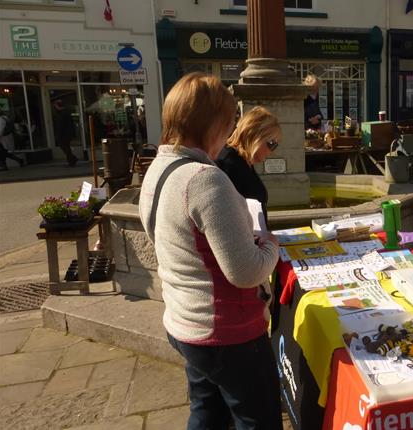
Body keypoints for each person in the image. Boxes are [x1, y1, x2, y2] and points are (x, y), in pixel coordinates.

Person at [138, 73, 282, 430]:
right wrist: (270, 245)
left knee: (208, 414)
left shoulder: (158, 169)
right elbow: (247, 271)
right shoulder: (204, 178)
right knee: (258, 421)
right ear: (214, 122)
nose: (231, 128)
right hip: (227, 333)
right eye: (230, 120)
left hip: (186, 322)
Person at [215, 106, 281, 225]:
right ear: (255, 136)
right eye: (272, 144)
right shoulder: (228, 163)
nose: (272, 151)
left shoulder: (243, 160)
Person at [51, 99, 78, 167]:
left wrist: (60, 134)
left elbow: (62, 125)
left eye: (55, 106)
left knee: (65, 146)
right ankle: (72, 159)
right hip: (65, 133)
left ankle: (72, 159)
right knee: (66, 147)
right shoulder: (63, 113)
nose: (54, 107)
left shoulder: (63, 113)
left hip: (64, 134)